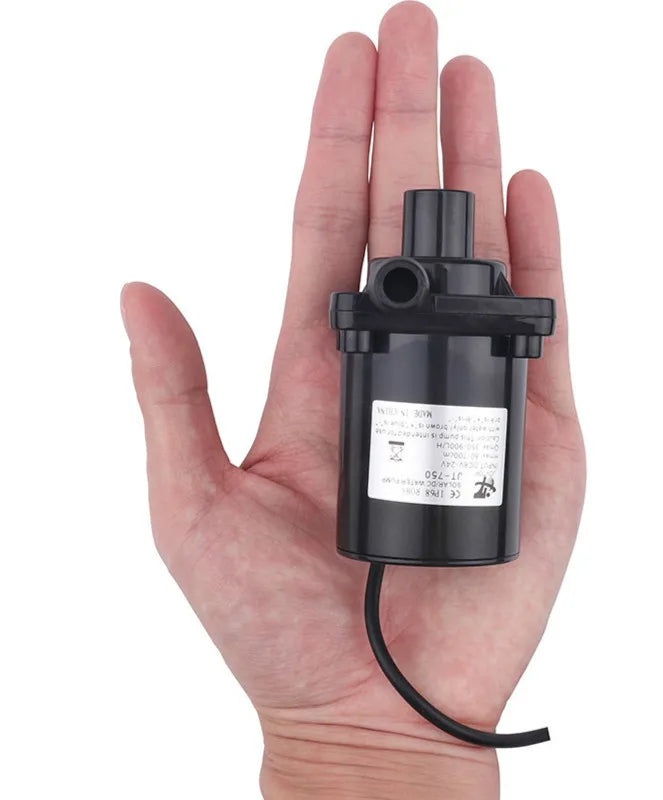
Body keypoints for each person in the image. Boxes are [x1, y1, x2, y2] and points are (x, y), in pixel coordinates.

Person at [120, 2, 585, 796]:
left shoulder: (455, 313)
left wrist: (363, 756)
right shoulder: (393, 310)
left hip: (458, 526)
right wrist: (360, 752)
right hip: (421, 534)